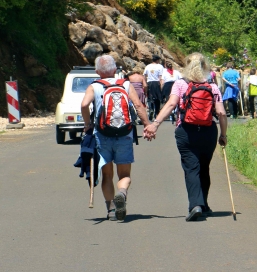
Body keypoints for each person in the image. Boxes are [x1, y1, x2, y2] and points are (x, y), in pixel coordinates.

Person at [144, 53, 227, 221]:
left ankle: (195, 205)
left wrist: (155, 124)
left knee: (191, 168)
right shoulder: (212, 87)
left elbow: (171, 104)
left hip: (185, 131)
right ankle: (204, 205)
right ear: (205, 66)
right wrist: (223, 134)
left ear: (186, 66)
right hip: (208, 131)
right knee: (204, 167)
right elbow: (221, 113)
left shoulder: (180, 84)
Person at [81, 55, 151, 222]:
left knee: (107, 174)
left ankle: (111, 209)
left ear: (97, 71)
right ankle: (122, 193)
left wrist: (87, 124)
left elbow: (84, 105)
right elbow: (139, 106)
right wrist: (147, 125)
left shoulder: (95, 86)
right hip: (124, 134)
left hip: (103, 134)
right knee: (124, 174)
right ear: (115, 70)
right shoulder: (125, 84)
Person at [143, 55, 164, 120]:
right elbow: (161, 77)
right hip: (157, 83)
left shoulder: (148, 66)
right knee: (157, 99)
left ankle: (151, 109)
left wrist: (145, 83)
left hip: (149, 83)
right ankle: (156, 113)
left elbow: (144, 76)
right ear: (157, 60)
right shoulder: (160, 66)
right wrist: (161, 87)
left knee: (150, 98)